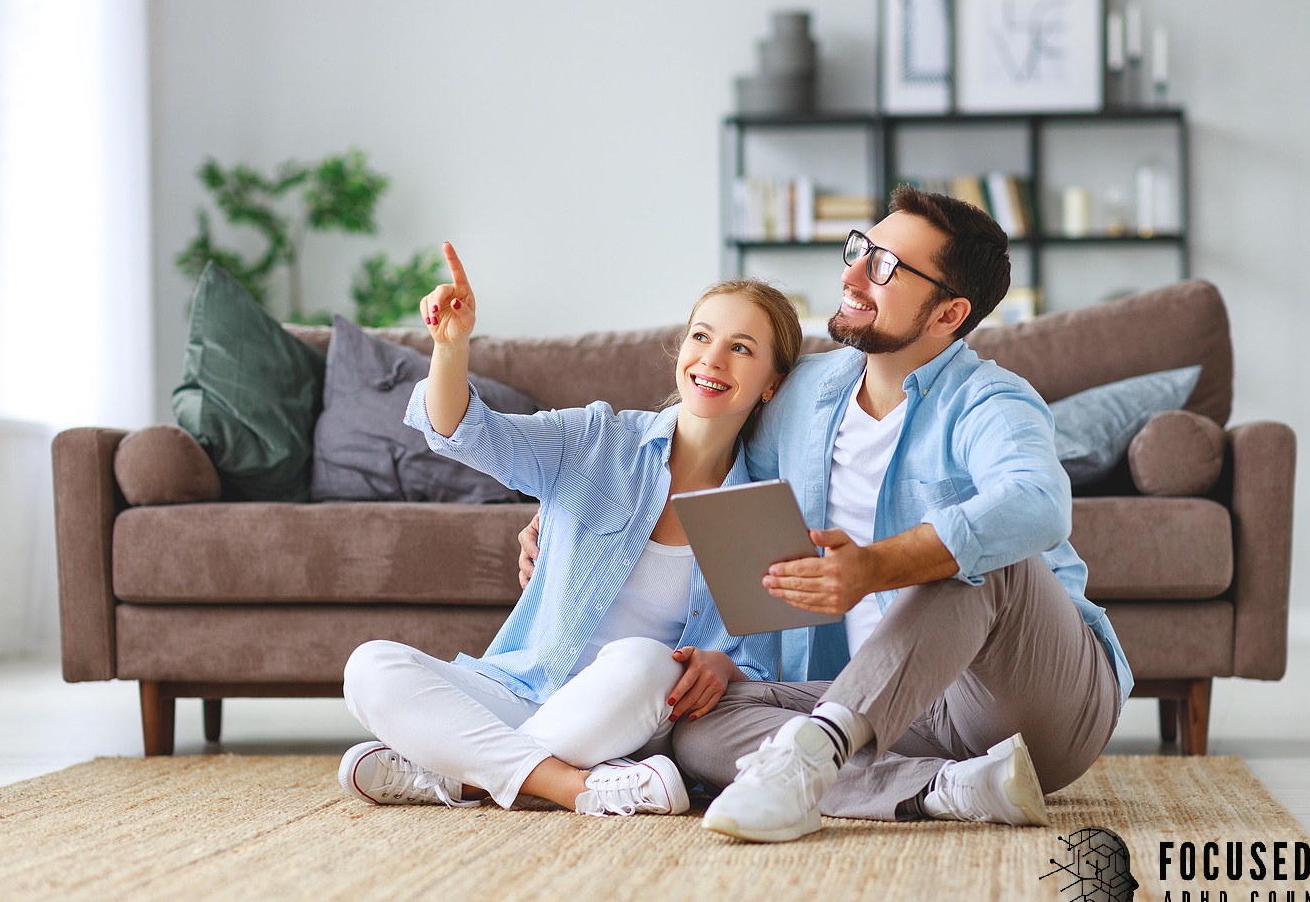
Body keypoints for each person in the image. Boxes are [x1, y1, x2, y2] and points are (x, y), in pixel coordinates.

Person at [519, 188, 1132, 843]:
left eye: (886, 267)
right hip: (885, 705)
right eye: (859, 251)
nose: (851, 275)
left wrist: (876, 567)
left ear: (949, 313)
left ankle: (813, 762)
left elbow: (1037, 503)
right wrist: (568, 507)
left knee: (979, 561)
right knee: (697, 727)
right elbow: (699, 439)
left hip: (1028, 702)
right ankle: (941, 788)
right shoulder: (806, 392)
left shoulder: (991, 401)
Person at [339, 242, 802, 820]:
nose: (713, 359)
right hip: (519, 690)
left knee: (644, 661)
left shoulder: (760, 510)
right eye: (702, 337)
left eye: (741, 348)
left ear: (771, 383)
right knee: (370, 667)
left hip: (628, 714)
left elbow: (763, 665)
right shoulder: (596, 438)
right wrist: (450, 347)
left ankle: (459, 771)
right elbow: (471, 433)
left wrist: (724, 665)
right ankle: (572, 787)